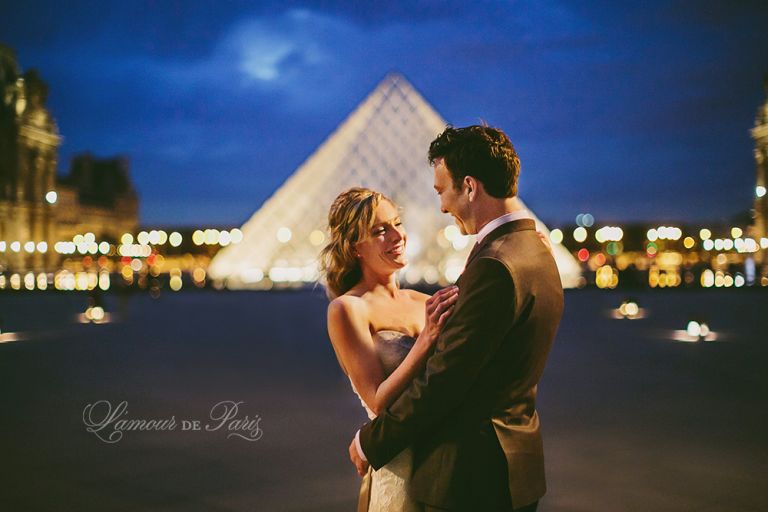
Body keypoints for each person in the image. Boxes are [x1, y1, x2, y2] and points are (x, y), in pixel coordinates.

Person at [348, 125, 565, 511]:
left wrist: (371, 441)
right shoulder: (535, 250)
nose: (441, 206)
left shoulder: (495, 263)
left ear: (469, 186)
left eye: (441, 191)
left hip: (470, 477)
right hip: (516, 465)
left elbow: (446, 379)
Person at [321, 187, 459, 512]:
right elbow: (378, 401)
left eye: (397, 223)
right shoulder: (348, 309)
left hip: (446, 462)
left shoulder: (425, 302)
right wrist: (427, 341)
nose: (398, 236)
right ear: (355, 247)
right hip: (399, 466)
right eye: (380, 230)